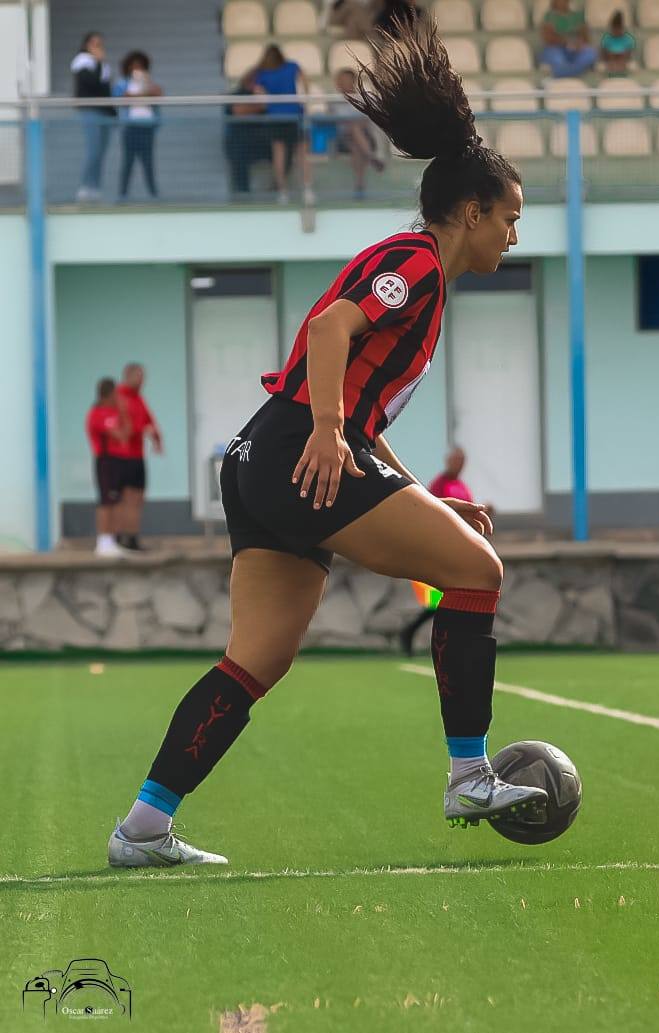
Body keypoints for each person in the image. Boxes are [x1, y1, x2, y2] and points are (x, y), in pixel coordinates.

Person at [107, 16, 547, 869]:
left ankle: (143, 827)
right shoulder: (415, 260)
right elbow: (328, 330)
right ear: (469, 210)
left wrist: (429, 492)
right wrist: (325, 428)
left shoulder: (421, 273)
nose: (512, 235)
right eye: (508, 218)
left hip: (262, 461)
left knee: (256, 659)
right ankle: (467, 773)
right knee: (476, 572)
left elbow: (363, 414)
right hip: (292, 452)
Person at [400, 447, 474, 654]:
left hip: (459, 550)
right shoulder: (439, 485)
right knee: (439, 602)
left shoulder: (462, 487)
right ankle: (415, 634)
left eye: (462, 460)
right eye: (455, 460)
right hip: (441, 551)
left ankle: (418, 635)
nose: (458, 464)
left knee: (452, 600)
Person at [253, 45, 314, 205]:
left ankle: (282, 192)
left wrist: (269, 105)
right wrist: (304, 101)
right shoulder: (292, 66)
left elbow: (259, 96)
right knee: (302, 155)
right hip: (295, 114)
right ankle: (307, 190)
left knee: (279, 155)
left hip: (275, 117)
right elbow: (305, 84)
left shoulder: (262, 74)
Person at [115, 364, 163, 552]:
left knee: (137, 497)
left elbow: (149, 420)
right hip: (122, 455)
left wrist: (157, 439)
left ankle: (132, 537)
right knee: (125, 497)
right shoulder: (120, 398)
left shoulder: (138, 398)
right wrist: (142, 430)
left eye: (144, 376)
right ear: (128, 376)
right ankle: (119, 537)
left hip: (137, 455)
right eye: (139, 376)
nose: (142, 380)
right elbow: (124, 427)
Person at [85, 377, 130, 557]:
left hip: (117, 460)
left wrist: (123, 411)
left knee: (116, 500)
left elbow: (127, 433)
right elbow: (119, 435)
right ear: (110, 394)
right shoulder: (98, 413)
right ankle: (103, 540)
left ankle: (112, 539)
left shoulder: (115, 412)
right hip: (105, 461)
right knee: (106, 501)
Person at [71, 32, 117, 202]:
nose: (98, 47)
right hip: (90, 110)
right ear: (86, 45)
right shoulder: (81, 61)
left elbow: (105, 89)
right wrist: (97, 61)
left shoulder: (103, 65)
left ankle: (96, 187)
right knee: (93, 150)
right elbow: (91, 83)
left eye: (100, 44)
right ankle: (85, 186)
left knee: (101, 152)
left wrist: (113, 113)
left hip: (104, 112)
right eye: (94, 43)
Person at [113, 51, 163, 200]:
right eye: (134, 66)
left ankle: (154, 194)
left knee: (148, 163)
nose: (137, 69)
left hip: (147, 127)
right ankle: (123, 195)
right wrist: (141, 94)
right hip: (131, 127)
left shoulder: (148, 81)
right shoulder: (123, 83)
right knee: (128, 162)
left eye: (140, 66)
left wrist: (145, 86)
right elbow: (121, 97)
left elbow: (158, 93)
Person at [331, 68, 385, 200]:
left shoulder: (364, 98)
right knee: (354, 132)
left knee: (355, 141)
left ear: (352, 81)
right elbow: (333, 122)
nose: (341, 83)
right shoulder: (333, 101)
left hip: (364, 136)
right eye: (339, 81)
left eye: (344, 80)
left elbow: (371, 119)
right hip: (342, 139)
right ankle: (371, 158)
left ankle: (359, 185)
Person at [223, 68, 273, 196]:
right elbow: (238, 111)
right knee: (238, 153)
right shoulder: (237, 94)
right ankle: (242, 194)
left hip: (263, 140)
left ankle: (278, 191)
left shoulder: (267, 93)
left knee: (281, 147)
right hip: (240, 141)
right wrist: (259, 105)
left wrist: (262, 100)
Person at [539, 0, 597, 79]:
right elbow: (548, 39)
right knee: (557, 60)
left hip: (576, 50)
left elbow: (586, 38)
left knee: (590, 53)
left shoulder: (578, 16)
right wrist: (567, 42)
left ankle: (561, 75)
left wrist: (578, 43)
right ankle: (574, 74)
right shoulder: (549, 17)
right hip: (556, 49)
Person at [600, 10, 636, 76]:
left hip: (624, 61)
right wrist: (611, 61)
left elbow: (628, 55)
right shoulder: (607, 39)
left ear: (622, 28)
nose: (616, 31)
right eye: (614, 28)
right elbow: (604, 55)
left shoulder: (628, 39)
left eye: (618, 29)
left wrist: (620, 62)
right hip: (609, 61)